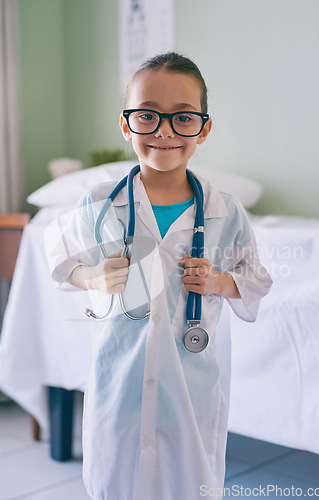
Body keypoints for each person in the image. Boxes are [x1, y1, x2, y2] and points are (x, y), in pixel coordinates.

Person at [48, 52, 272, 500]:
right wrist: (93, 277)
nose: (164, 131)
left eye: (183, 117)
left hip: (190, 394)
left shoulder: (225, 211)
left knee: (187, 485)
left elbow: (256, 279)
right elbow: (61, 260)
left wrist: (218, 282)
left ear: (204, 128)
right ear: (125, 124)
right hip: (120, 387)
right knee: (118, 483)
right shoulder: (97, 203)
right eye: (147, 116)